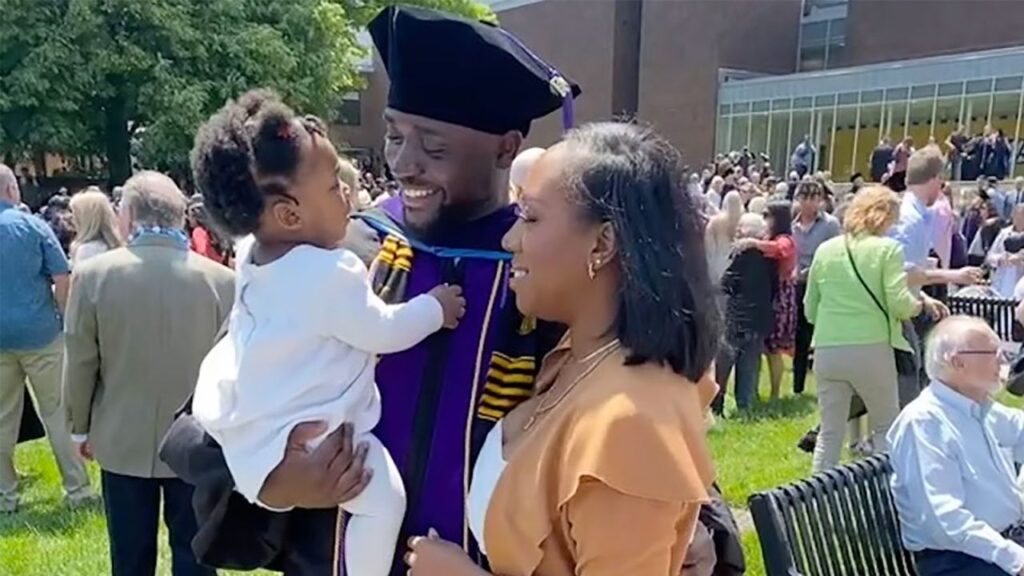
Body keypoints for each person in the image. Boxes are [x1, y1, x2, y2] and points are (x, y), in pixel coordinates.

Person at [159, 5, 589, 574]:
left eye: (433, 148)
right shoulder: (336, 254)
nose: (403, 165)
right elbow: (211, 416)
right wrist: (279, 483)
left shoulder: (544, 276)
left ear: (506, 149)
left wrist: (705, 531)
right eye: (393, 136)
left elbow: (622, 423)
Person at [406, 121, 720, 576]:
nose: (509, 240)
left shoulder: (631, 421)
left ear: (603, 242)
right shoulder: (578, 356)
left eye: (530, 218)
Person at [189, 90, 467, 576]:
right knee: (383, 500)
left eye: (435, 147)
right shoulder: (333, 267)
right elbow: (381, 327)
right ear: (289, 214)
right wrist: (434, 309)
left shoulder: (256, 255)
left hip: (256, 437)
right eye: (335, 185)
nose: (349, 193)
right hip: (319, 446)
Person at [64, 172, 235, 576]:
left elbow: (81, 357)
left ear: (129, 216)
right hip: (197, 440)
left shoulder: (93, 276)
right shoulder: (222, 281)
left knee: (129, 557)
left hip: (121, 437)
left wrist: (79, 427)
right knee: (196, 555)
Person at [888, 316, 1024, 576]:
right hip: (960, 561)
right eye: (991, 353)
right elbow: (945, 519)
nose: (1003, 360)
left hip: (1000, 547)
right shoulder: (924, 422)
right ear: (956, 361)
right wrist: (1016, 559)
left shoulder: (981, 409)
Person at [804, 187, 925, 472]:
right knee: (885, 427)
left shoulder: (826, 250)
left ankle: (817, 503)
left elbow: (810, 309)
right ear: (883, 216)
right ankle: (882, 494)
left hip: (827, 350)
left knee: (830, 433)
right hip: (871, 348)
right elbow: (900, 305)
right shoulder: (888, 250)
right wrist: (918, 305)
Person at [0, 163, 95, 514]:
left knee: (2, 417)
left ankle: (5, 496)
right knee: (58, 413)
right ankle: (77, 489)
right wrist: (64, 318)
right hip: (41, 333)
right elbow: (62, 276)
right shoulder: (33, 225)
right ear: (12, 190)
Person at [890, 146, 982, 402]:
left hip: (905, 306)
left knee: (909, 375)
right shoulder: (911, 220)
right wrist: (954, 276)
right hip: (896, 311)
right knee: (910, 379)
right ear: (935, 180)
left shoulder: (915, 215)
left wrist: (924, 299)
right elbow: (902, 274)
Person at [712, 213, 776, 414]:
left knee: (724, 364)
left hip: (737, 318)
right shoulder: (769, 259)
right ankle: (744, 408)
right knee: (749, 366)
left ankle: (716, 405)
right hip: (759, 318)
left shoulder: (740, 256)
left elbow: (727, 284)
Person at [734, 200, 797, 401]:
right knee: (763, 347)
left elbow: (780, 249)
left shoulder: (786, 239)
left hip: (781, 297)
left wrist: (753, 243)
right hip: (769, 295)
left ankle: (775, 393)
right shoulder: (769, 237)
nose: (765, 220)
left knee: (774, 349)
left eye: (767, 215)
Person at [791, 181, 840, 395]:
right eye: (805, 198)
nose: (809, 203)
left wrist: (813, 270)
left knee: (820, 336)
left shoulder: (830, 225)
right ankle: (797, 386)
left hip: (820, 285)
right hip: (795, 285)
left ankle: (826, 385)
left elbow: (835, 255)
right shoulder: (792, 226)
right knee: (798, 336)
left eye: (814, 198)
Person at [68, 188, 124, 266]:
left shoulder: (87, 250)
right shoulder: (118, 245)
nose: (69, 217)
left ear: (87, 217)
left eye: (74, 212)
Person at [704, 190, 744, 288]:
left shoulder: (715, 221)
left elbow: (708, 245)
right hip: (736, 262)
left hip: (718, 260)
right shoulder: (743, 220)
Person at [985, 203, 1024, 298]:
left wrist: (1021, 261)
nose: (1019, 219)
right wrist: (1000, 259)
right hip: (1001, 284)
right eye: (1017, 215)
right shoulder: (1004, 233)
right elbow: (989, 257)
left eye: (1022, 216)